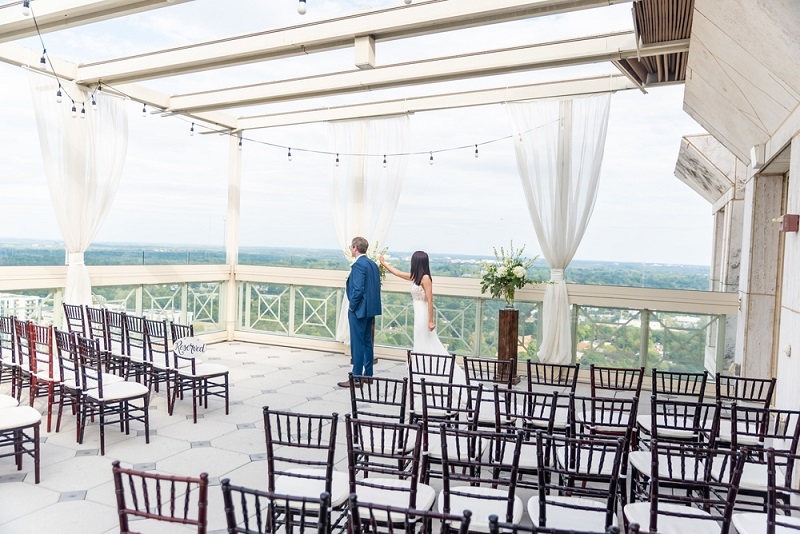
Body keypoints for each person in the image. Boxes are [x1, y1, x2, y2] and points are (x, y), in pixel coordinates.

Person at [379, 251, 449, 355]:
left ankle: (425, 363)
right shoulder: (416, 277)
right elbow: (397, 273)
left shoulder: (425, 278)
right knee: (419, 337)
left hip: (423, 313)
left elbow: (430, 300)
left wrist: (430, 321)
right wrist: (384, 263)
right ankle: (420, 364)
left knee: (424, 338)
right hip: (418, 312)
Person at [339, 236, 382, 388]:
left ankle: (356, 378)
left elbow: (358, 289)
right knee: (367, 342)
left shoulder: (358, 265)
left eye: (351, 247)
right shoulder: (372, 264)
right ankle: (368, 375)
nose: (351, 249)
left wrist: (352, 307)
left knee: (357, 344)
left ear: (355, 248)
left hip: (359, 310)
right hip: (371, 309)